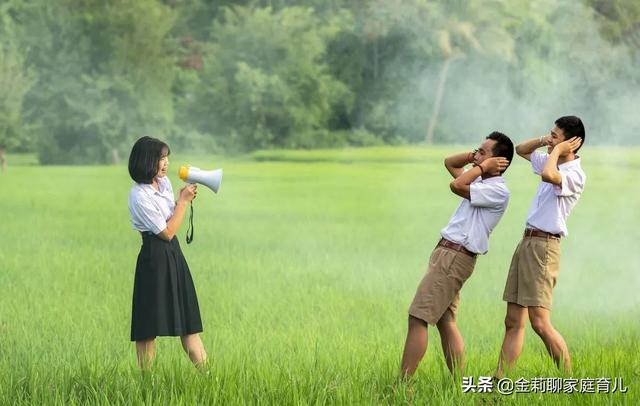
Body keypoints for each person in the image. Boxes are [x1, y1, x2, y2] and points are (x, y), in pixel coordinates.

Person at [401, 132, 514, 378]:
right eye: (477, 151)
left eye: (483, 152)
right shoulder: (480, 182)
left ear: (498, 162)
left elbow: (456, 185)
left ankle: (403, 386)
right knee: (445, 321)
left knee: (418, 318)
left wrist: (482, 166)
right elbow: (450, 163)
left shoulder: (497, 191)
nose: (476, 156)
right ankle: (459, 383)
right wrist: (478, 158)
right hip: (449, 254)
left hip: (454, 256)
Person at [495, 116, 586, 378]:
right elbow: (521, 150)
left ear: (571, 143)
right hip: (527, 242)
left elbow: (548, 175)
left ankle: (570, 383)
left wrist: (557, 150)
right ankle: (499, 382)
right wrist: (547, 142)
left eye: (555, 135)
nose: (550, 140)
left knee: (540, 322)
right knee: (513, 320)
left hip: (544, 247)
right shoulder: (552, 159)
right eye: (550, 134)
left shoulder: (574, 174)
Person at [127, 136, 207, 369]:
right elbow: (167, 232)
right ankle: (146, 384)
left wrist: (182, 200)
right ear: (146, 161)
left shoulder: (164, 185)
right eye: (161, 158)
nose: (166, 163)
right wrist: (182, 202)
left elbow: (172, 221)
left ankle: (210, 378)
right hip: (154, 258)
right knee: (147, 326)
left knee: (189, 322)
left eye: (166, 158)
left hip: (173, 255)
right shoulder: (139, 196)